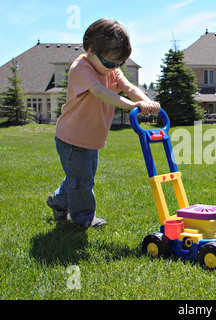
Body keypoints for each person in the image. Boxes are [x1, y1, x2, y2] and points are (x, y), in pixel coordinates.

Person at [47, 18, 160, 229]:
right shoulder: (81, 67)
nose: (114, 68)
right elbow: (101, 93)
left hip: (92, 138)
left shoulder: (111, 70)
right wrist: (132, 105)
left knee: (80, 178)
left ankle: (57, 201)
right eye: (110, 63)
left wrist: (147, 101)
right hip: (72, 137)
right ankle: (83, 219)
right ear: (90, 49)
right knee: (82, 181)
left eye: (119, 64)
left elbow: (128, 87)